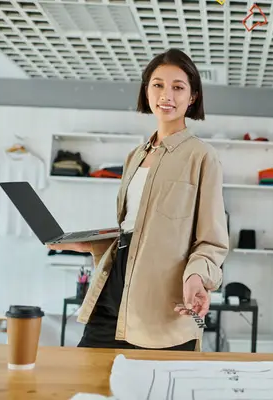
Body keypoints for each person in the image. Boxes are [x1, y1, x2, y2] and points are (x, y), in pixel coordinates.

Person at [48, 48, 229, 351]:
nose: (166, 95)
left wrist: (198, 277)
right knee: (87, 386)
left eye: (178, 87)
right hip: (112, 292)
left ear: (192, 96)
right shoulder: (135, 156)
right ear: (146, 91)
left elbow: (212, 241)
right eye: (157, 85)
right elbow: (133, 229)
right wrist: (87, 243)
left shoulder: (202, 157)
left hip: (163, 305)